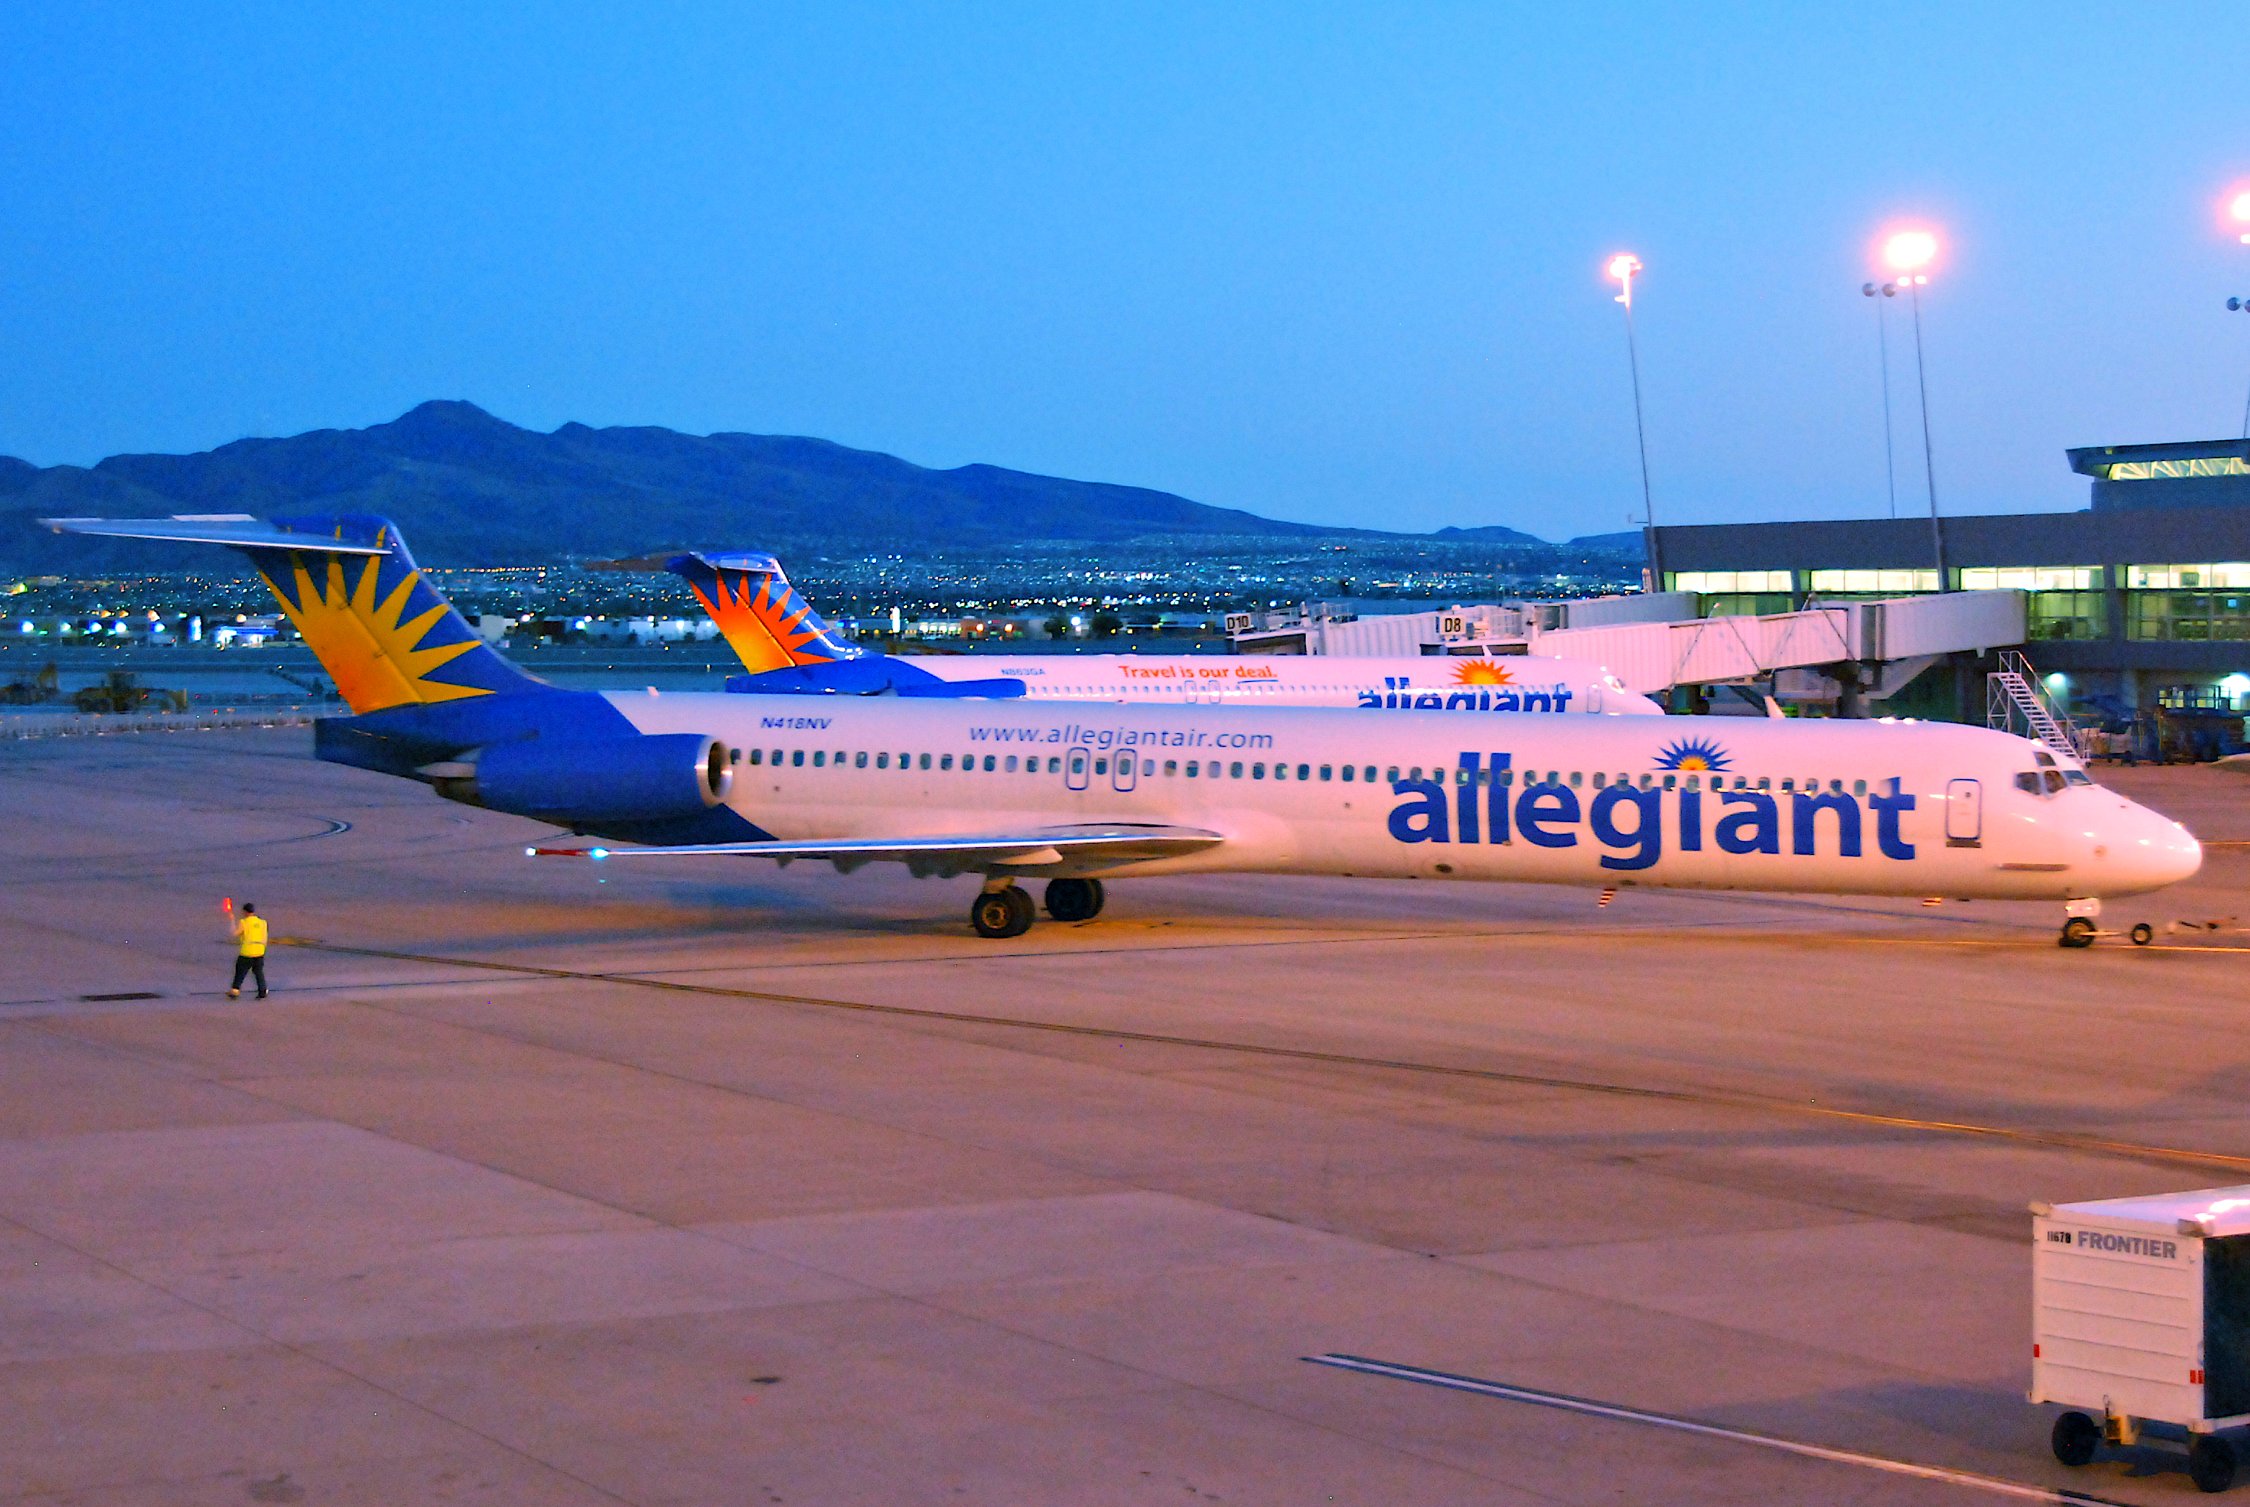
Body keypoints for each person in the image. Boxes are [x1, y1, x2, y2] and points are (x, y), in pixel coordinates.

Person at [228, 902, 269, 999]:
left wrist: (232, 920)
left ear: (245, 912)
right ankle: (262, 990)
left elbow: (235, 933)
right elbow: (265, 937)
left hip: (247, 951)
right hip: (260, 950)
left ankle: (235, 989)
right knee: (258, 972)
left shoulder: (244, 922)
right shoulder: (263, 922)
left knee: (240, 970)